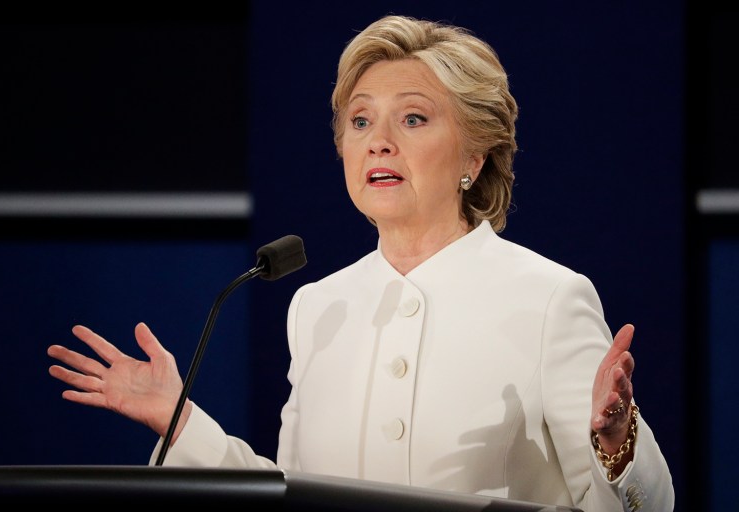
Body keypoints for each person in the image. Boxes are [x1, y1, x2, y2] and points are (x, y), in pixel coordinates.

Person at [47, 14, 675, 511]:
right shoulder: (319, 306)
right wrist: (180, 422)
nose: (379, 139)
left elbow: (644, 509)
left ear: (474, 158)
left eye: (412, 117)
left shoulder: (549, 298)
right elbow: (294, 493)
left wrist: (616, 448)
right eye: (360, 119)